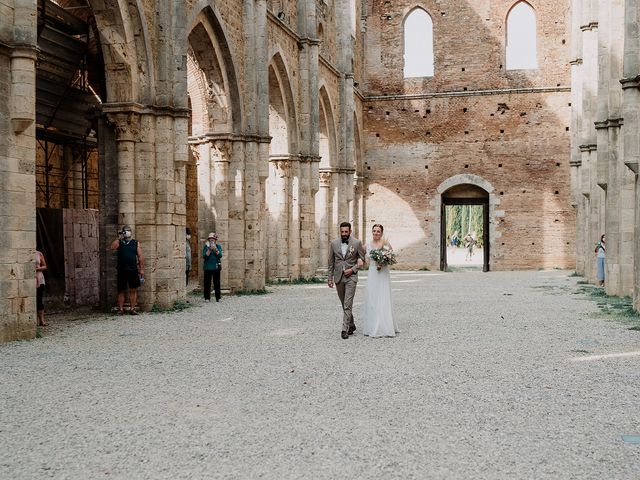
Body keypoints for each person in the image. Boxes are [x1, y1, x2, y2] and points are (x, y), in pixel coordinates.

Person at [327, 222, 366, 339]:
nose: (344, 234)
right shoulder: (333, 243)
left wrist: (353, 269)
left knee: (348, 304)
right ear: (340, 231)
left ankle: (345, 329)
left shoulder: (357, 243)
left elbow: (362, 260)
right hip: (338, 277)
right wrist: (330, 278)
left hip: (351, 278)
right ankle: (352, 324)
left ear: (350, 231)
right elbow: (331, 262)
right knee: (344, 303)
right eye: (342, 232)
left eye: (346, 232)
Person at [363, 224, 399, 337]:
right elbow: (362, 259)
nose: (376, 233)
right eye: (374, 231)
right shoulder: (367, 245)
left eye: (378, 231)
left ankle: (385, 325)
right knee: (372, 298)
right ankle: (373, 325)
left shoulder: (386, 245)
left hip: (383, 273)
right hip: (373, 272)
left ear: (382, 233)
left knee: (383, 297)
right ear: (372, 232)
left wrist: (383, 262)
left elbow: (392, 257)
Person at [110, 225, 145, 315]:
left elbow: (140, 256)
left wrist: (141, 269)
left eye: (128, 230)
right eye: (125, 231)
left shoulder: (135, 243)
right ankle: (121, 309)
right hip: (122, 269)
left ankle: (132, 308)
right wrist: (119, 237)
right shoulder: (119, 242)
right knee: (121, 290)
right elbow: (112, 247)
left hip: (133, 269)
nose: (127, 232)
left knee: (133, 289)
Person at [203, 232, 223, 302]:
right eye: (210, 239)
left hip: (216, 267)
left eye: (213, 239)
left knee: (217, 283)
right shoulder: (206, 246)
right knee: (207, 283)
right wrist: (209, 249)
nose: (212, 240)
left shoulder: (218, 246)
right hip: (207, 267)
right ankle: (207, 298)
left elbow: (220, 255)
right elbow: (205, 256)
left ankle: (218, 297)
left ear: (215, 240)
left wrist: (215, 249)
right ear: (209, 240)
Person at [35, 249, 48, 327]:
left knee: (39, 299)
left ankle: (41, 320)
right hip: (29, 279)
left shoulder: (39, 253)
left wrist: (37, 269)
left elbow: (45, 266)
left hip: (39, 279)